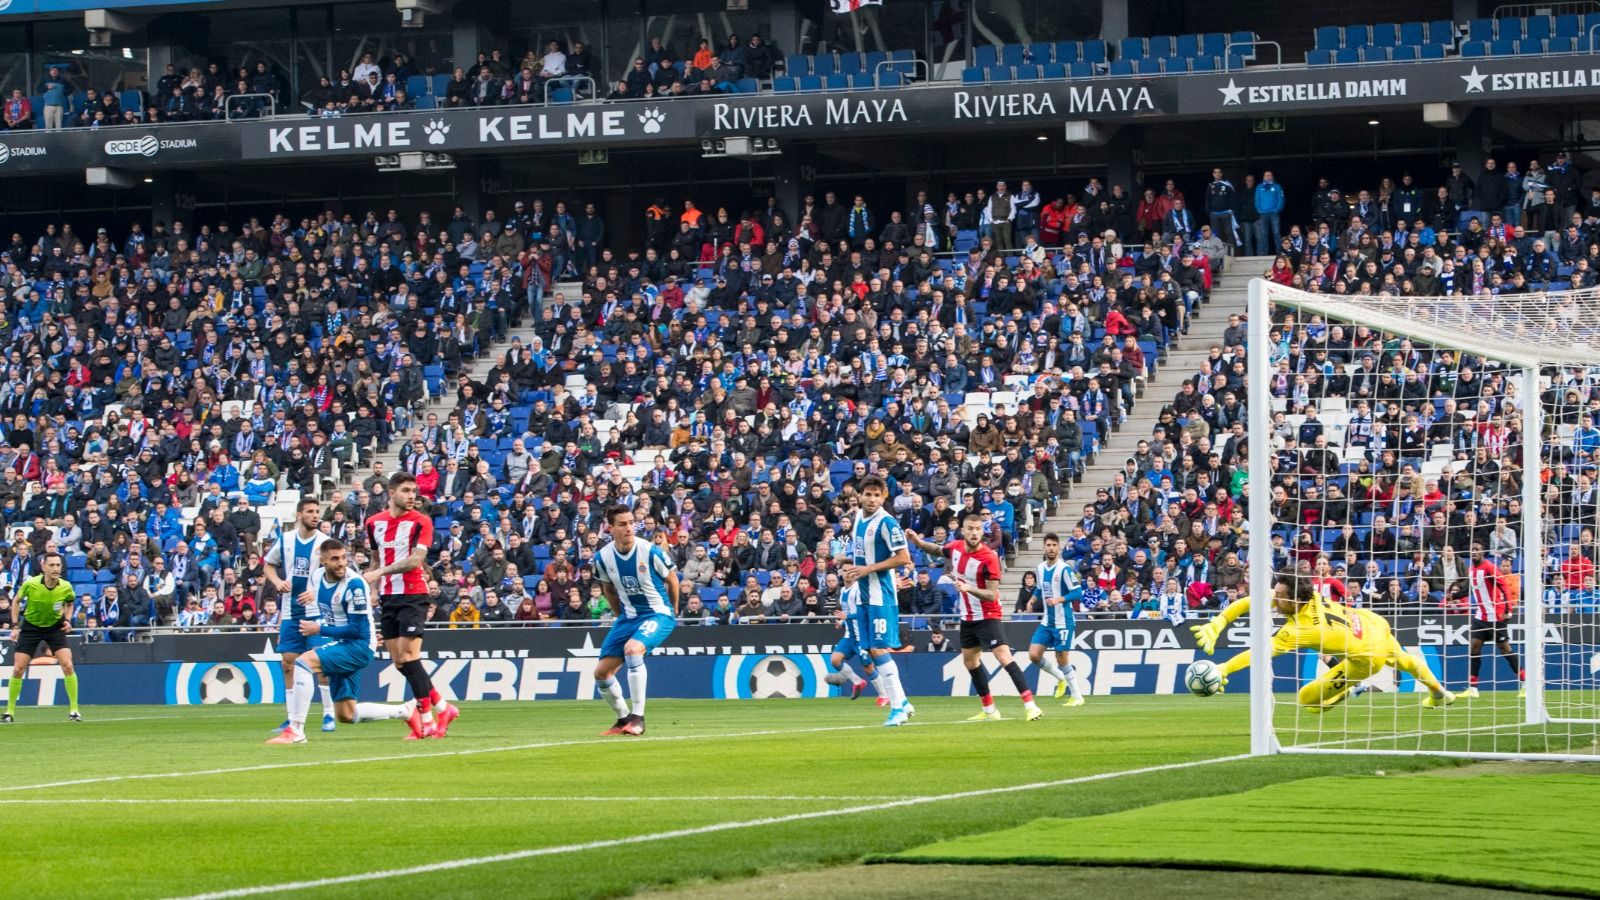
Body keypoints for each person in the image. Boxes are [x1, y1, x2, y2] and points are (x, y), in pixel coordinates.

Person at [1189, 572, 1454, 711]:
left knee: (1307, 701)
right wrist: (1219, 622)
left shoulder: (1300, 630)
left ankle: (1347, 690)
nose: (1274, 598)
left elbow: (1259, 654)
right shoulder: (1308, 595)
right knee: (1405, 660)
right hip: (1371, 622)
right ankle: (1439, 692)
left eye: (1279, 595)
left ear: (1295, 599)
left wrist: (1224, 668)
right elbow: (1252, 600)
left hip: (1367, 657)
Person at [266, 540, 410, 744]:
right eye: (335, 559)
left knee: (303, 662)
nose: (341, 563)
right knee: (346, 714)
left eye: (344, 557)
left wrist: (319, 629)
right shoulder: (317, 577)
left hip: (357, 646)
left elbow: (356, 629)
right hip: (344, 643)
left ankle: (296, 730)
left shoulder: (355, 584)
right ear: (322, 560)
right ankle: (404, 711)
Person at [908, 511, 1041, 722]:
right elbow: (937, 549)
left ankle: (1030, 705)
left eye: (978, 529)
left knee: (1003, 656)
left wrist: (968, 588)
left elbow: (992, 594)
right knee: (970, 661)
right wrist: (917, 541)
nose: (974, 533)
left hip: (988, 615)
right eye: (970, 528)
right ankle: (989, 710)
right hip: (967, 617)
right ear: (963, 531)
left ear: (982, 531)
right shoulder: (956, 547)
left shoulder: (989, 557)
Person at [365, 471, 457, 740]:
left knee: (409, 657)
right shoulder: (374, 523)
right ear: (391, 493)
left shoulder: (421, 521)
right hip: (388, 597)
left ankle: (427, 721)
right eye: (406, 491)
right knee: (399, 662)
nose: (412, 496)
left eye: (414, 491)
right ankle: (443, 707)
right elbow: (374, 558)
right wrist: (373, 590)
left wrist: (378, 574)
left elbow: (415, 561)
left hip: (413, 594)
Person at [591, 505, 681, 736]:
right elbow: (608, 588)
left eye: (631, 523)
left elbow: (672, 580)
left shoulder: (650, 551)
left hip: (656, 613)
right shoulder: (602, 557)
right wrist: (620, 614)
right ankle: (622, 719)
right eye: (622, 524)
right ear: (610, 528)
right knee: (601, 673)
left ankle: (638, 718)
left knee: (633, 650)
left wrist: (673, 610)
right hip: (628, 617)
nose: (629, 528)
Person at [843, 476, 915, 726]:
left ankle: (897, 708)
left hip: (880, 595)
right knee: (872, 650)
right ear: (859, 496)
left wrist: (868, 569)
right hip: (863, 596)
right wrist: (851, 566)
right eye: (868, 494)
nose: (872, 499)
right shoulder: (858, 520)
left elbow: (904, 557)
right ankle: (903, 702)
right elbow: (863, 556)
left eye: (877, 494)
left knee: (879, 649)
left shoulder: (886, 522)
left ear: (884, 497)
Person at [263, 496, 336, 734]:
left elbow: (339, 573)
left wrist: (316, 592)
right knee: (288, 664)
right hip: (290, 612)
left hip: (318, 613)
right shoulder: (285, 540)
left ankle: (328, 714)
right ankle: (291, 717)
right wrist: (277, 582)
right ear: (299, 515)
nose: (316, 515)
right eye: (311, 511)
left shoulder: (325, 542)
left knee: (322, 665)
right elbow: (268, 564)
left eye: (318, 511)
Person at [3, 552, 80, 722]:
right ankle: (9, 712)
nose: (55, 568)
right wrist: (15, 626)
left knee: (67, 665)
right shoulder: (31, 584)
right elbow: (16, 601)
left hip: (54, 627)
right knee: (18, 669)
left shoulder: (66, 586)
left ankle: (74, 710)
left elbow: (70, 603)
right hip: (31, 627)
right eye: (51, 565)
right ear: (43, 566)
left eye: (58, 565)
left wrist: (67, 620)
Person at [1028, 533, 1085, 708]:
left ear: (1058, 548)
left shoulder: (1064, 569)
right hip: (1047, 621)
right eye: (1048, 545)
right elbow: (1039, 589)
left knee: (1061, 658)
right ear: (1044, 547)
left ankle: (1077, 696)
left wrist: (1058, 599)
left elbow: (1077, 592)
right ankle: (1060, 678)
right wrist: (1032, 599)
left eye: (1054, 545)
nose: (1051, 548)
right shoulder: (1040, 568)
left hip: (1063, 621)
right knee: (1034, 655)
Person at [1462, 541, 1524, 699]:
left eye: (1477, 549)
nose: (1474, 552)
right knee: (1474, 648)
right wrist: (1454, 596)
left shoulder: (1489, 567)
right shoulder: (1471, 570)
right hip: (1480, 616)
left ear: (1482, 552)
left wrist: (1509, 610)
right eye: (1472, 549)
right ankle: (1473, 687)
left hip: (1496, 616)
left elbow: (1504, 586)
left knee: (1504, 649)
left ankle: (1526, 683)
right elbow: (1471, 587)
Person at [821, 580, 882, 706]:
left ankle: (883, 695)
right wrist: (843, 622)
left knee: (868, 667)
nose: (847, 574)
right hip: (849, 635)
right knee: (835, 660)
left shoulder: (859, 590)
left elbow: (864, 613)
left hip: (861, 636)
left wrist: (846, 618)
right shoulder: (843, 590)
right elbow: (847, 613)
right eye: (844, 571)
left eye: (850, 571)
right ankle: (857, 681)